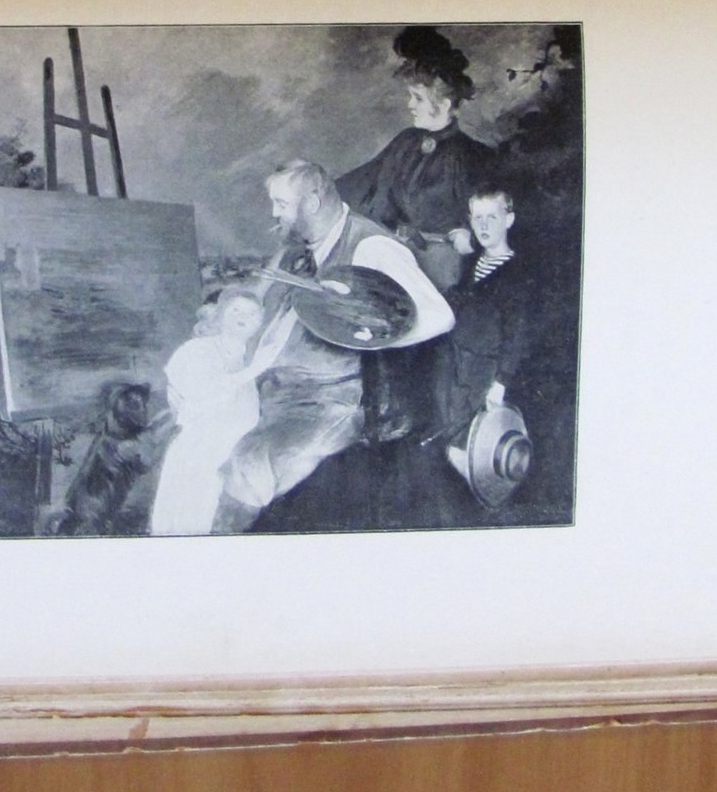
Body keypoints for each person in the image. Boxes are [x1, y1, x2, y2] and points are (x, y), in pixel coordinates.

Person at [211, 159, 454, 533]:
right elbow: (259, 304)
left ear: (311, 203)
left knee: (250, 462)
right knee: (200, 440)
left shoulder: (371, 245)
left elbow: (439, 316)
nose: (274, 213)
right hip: (275, 390)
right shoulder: (297, 250)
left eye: (281, 204)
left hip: (329, 399)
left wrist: (371, 331)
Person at [337, 26, 498, 291]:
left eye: (418, 98)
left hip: (441, 273)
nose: (410, 104)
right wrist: (317, 192)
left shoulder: (473, 157)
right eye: (410, 96)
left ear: (445, 104)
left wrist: (465, 235)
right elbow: (361, 183)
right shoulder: (406, 142)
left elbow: (488, 226)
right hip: (395, 257)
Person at [149, 287, 292, 536]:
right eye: (235, 309)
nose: (243, 317)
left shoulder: (246, 361)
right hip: (197, 457)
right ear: (219, 314)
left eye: (252, 314)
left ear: (259, 324)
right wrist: (254, 370)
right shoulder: (196, 350)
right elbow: (202, 393)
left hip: (229, 462)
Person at [440, 188, 532, 479]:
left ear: (509, 220)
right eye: (477, 218)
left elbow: (517, 336)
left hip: (487, 372)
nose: (483, 225)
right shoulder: (472, 263)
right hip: (460, 366)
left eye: (491, 217)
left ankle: (480, 485)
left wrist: (501, 382)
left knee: (479, 443)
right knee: (455, 440)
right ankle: (468, 480)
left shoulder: (517, 275)